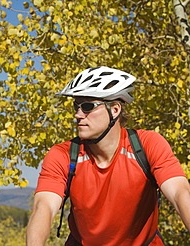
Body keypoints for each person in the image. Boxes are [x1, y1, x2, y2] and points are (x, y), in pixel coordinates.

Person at [26, 66, 190, 245]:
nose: (78, 114)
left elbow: (180, 193)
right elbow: (43, 207)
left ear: (115, 110)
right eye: (76, 106)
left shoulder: (147, 145)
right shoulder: (63, 154)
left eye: (87, 106)